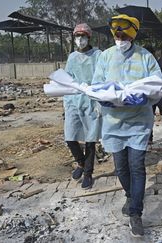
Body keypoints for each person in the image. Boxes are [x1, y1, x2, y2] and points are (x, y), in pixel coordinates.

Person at [91, 14, 162, 237]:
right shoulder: (105, 56)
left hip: (139, 123)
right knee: (121, 168)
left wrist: (145, 98)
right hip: (113, 124)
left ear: (133, 33)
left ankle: (135, 213)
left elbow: (158, 85)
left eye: (123, 33)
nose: (119, 36)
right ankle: (131, 195)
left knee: (137, 166)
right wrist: (101, 97)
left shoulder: (146, 57)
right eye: (116, 33)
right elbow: (95, 84)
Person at [63, 23, 102, 189]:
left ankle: (88, 173)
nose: (80, 39)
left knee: (90, 140)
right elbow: (67, 78)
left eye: (83, 36)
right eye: (77, 36)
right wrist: (65, 103)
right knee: (70, 137)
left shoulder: (98, 55)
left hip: (91, 101)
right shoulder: (72, 57)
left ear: (89, 37)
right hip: (73, 100)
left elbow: (103, 76)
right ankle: (80, 162)